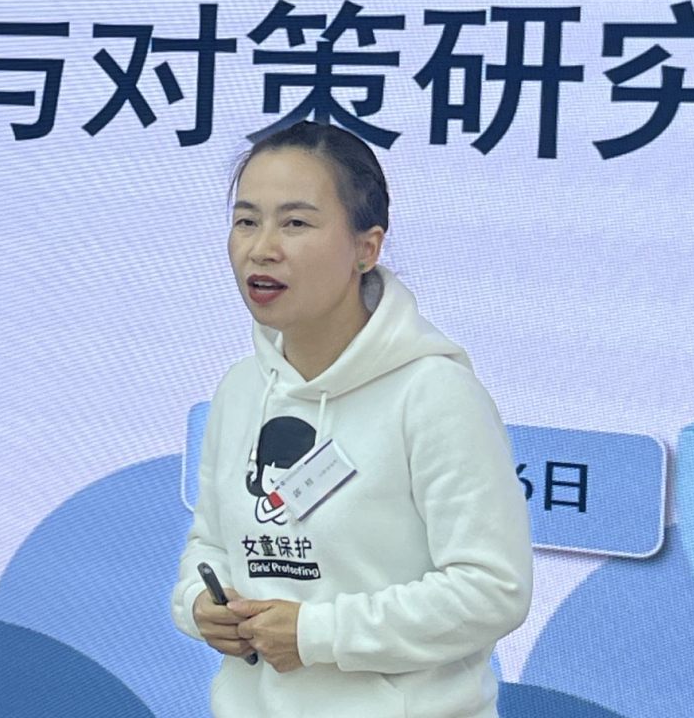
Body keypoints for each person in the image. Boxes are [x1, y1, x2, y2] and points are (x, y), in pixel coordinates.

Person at [170, 120, 533, 718]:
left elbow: (492, 590)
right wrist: (198, 604)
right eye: (246, 221)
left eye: (296, 223)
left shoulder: (433, 393)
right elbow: (210, 543)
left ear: (367, 247)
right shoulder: (241, 388)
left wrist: (316, 633)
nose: (262, 248)